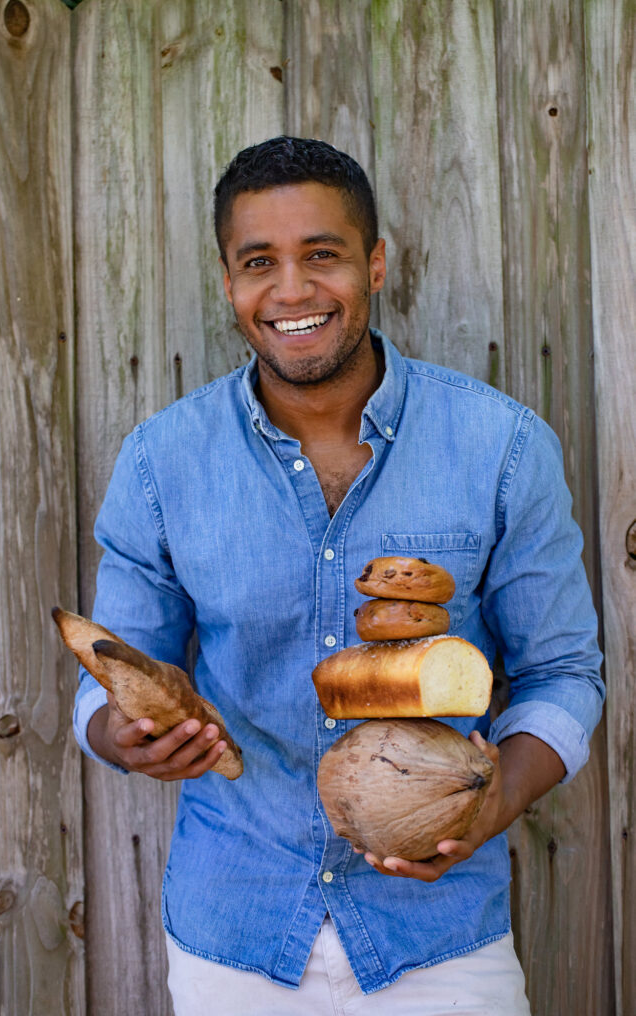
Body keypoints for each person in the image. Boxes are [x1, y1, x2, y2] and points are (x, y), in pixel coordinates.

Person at [73, 136, 604, 1015]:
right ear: (228, 280)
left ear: (377, 264)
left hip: (439, 940)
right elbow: (110, 675)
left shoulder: (501, 448)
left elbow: (563, 673)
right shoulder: (161, 463)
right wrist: (119, 736)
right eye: (258, 263)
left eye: (322, 256)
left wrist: (494, 801)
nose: (290, 291)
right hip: (232, 936)